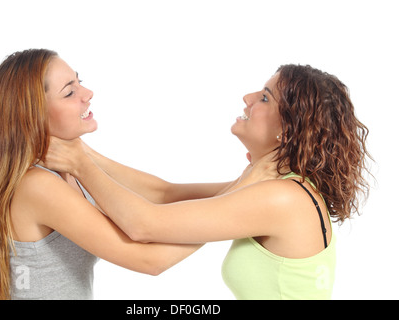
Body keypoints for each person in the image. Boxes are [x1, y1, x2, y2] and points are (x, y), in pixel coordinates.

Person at [42, 64, 372, 299]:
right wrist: (79, 149)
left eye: (265, 98)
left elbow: (144, 225)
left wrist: (80, 164)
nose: (248, 97)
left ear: (285, 130)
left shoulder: (280, 198)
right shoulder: (284, 185)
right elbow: (164, 193)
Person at [0, 48, 223, 300]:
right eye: (70, 92)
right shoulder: (37, 185)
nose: (87, 93)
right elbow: (149, 260)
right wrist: (237, 213)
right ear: (33, 115)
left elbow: (163, 193)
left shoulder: (74, 158)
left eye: (79, 82)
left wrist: (247, 183)